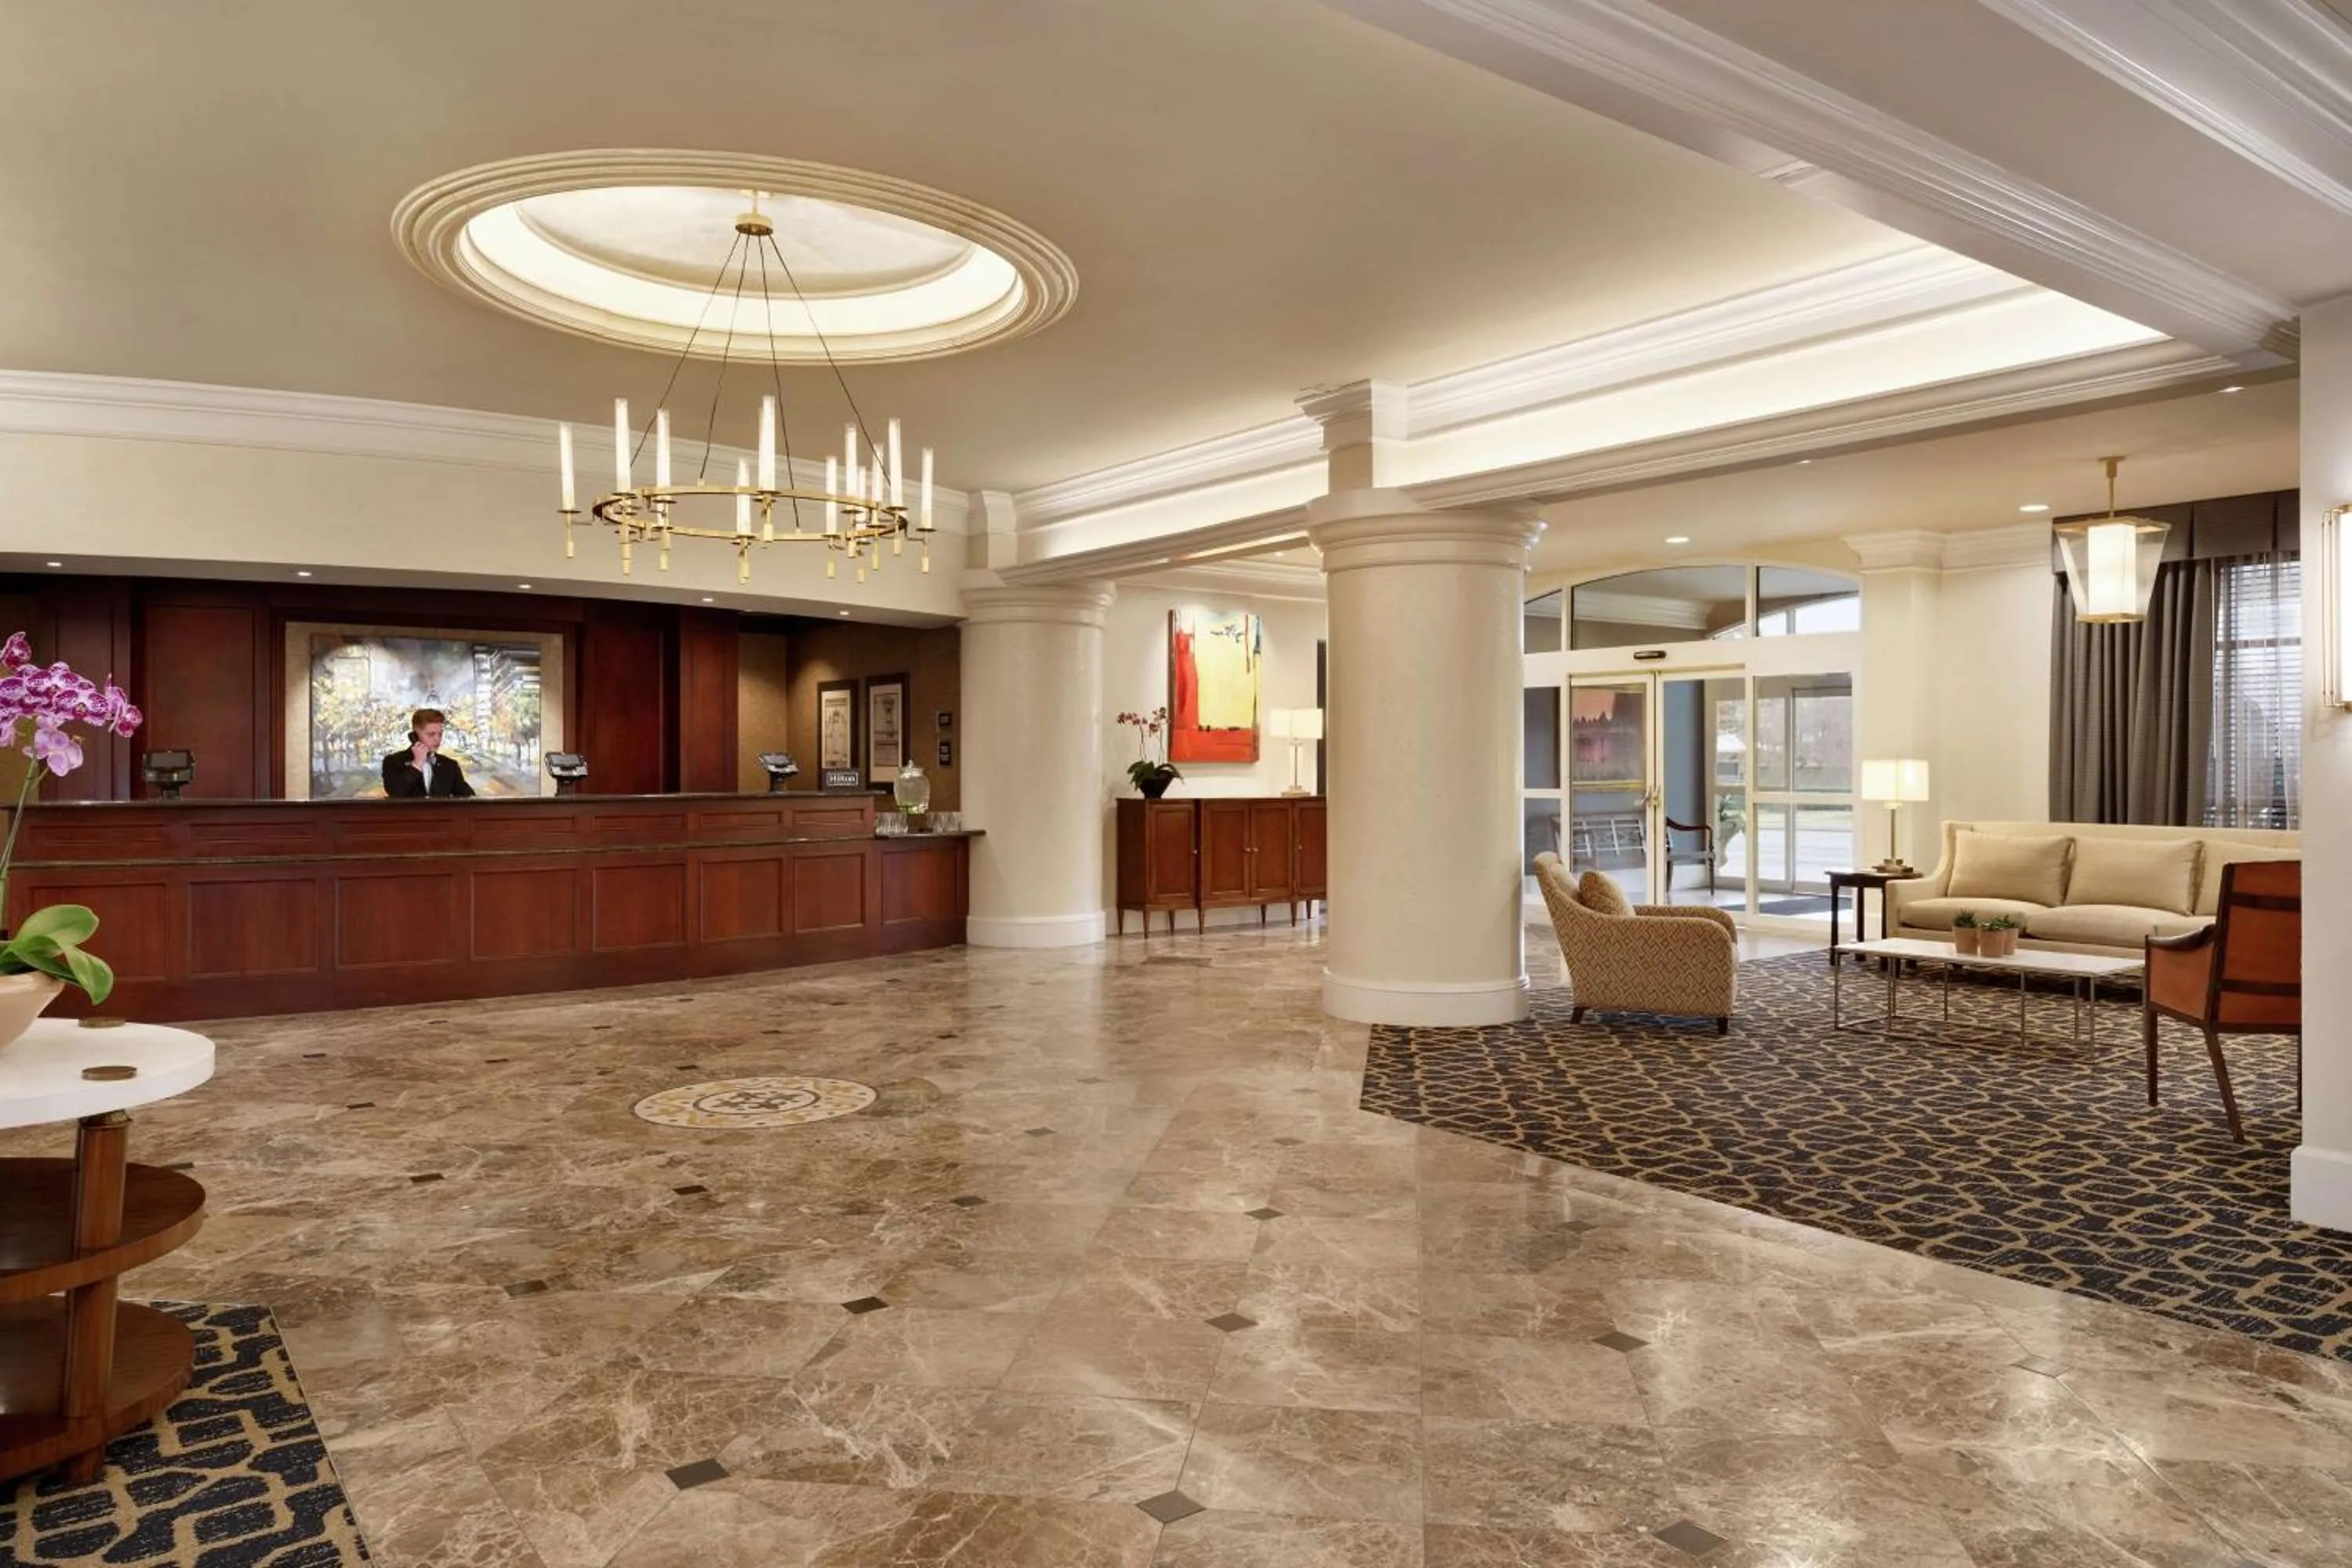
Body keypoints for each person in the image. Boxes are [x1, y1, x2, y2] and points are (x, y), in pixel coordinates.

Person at [382, 706, 475, 798]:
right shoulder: (393, 762)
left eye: (440, 734)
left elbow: (470, 799)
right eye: (431, 734)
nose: (437, 739)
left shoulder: (450, 766)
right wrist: (417, 765)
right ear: (415, 735)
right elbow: (396, 793)